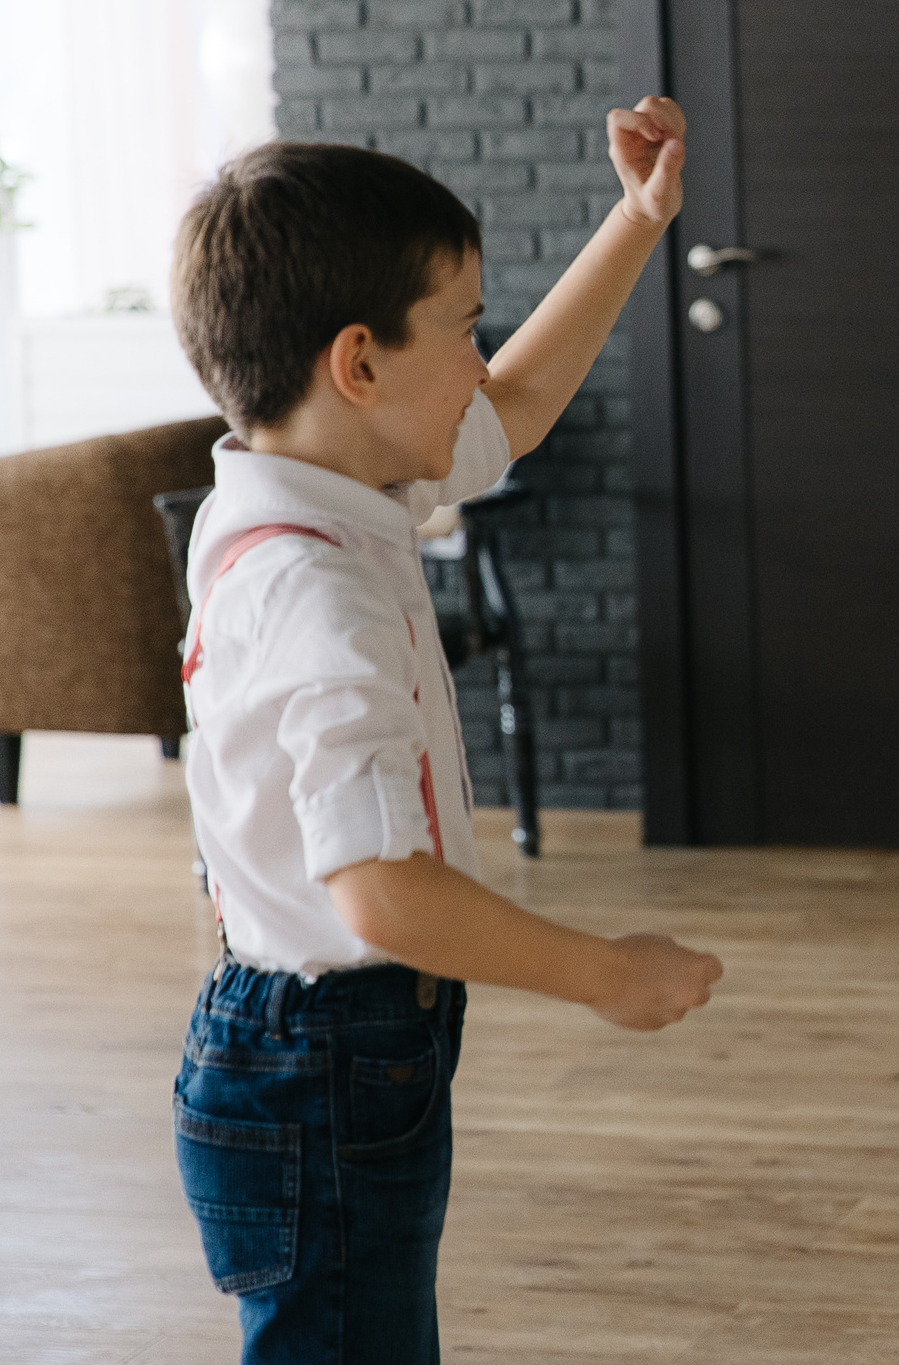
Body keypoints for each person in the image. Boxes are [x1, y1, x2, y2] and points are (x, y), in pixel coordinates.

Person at [166, 101, 724, 1364]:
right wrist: (606, 973)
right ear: (357, 365)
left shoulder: (305, 492)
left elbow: (516, 407)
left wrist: (637, 223)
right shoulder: (318, 590)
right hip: (328, 1052)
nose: (481, 360)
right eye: (463, 328)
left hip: (315, 1044)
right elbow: (380, 894)